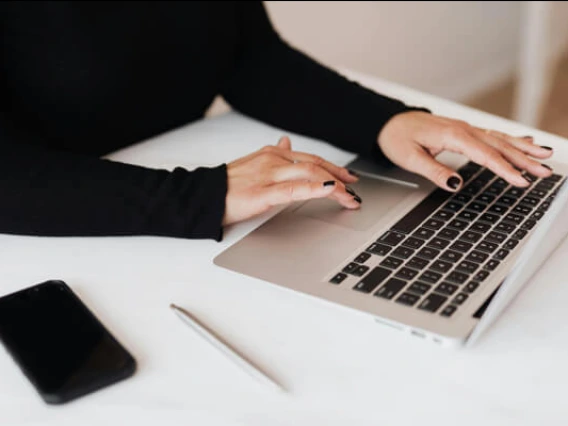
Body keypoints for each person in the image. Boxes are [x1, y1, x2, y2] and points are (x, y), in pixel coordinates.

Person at [0, 1, 554, 242]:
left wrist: (388, 122)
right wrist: (203, 195)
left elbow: (244, 55)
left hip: (166, 198)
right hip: (55, 229)